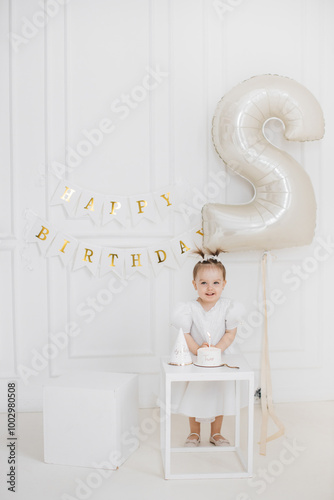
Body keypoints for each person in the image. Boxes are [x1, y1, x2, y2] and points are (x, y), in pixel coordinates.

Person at [171, 248, 245, 447]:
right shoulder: (189, 309)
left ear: (224, 284)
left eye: (215, 283)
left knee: (218, 394)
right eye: (203, 282)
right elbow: (184, 333)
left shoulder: (229, 307)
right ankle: (194, 433)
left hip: (220, 359)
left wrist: (216, 350)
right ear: (194, 284)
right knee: (196, 393)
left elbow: (230, 333)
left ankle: (216, 433)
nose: (209, 288)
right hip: (197, 360)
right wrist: (197, 349)